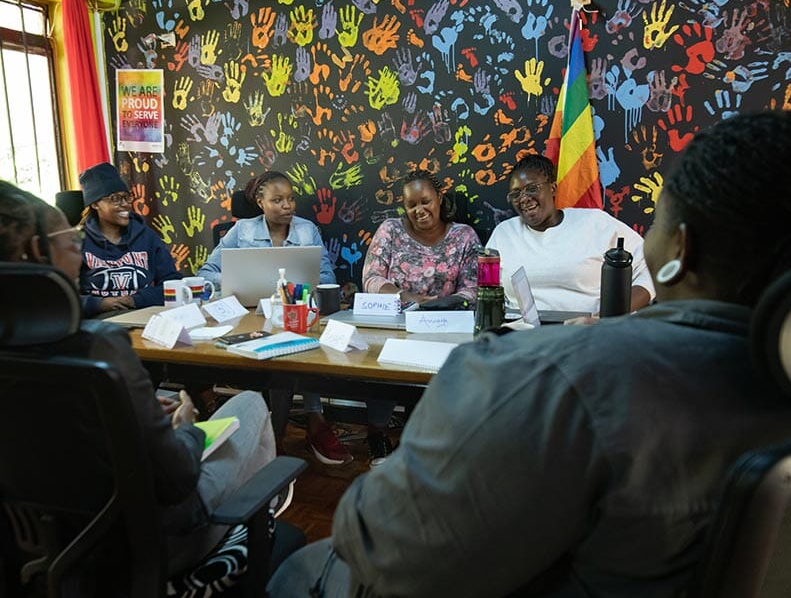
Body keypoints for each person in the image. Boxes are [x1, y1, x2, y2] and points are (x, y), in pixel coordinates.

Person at [268, 111, 791, 597]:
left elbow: (382, 548)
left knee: (297, 564)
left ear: (678, 248)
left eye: (656, 220)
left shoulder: (535, 378)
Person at [0, 181, 277, 577]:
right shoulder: (102, 350)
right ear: (35, 252)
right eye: (72, 240)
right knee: (250, 402)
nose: (80, 252)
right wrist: (187, 429)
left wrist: (134, 415)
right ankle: (254, 540)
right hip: (145, 549)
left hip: (44, 553)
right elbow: (177, 478)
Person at [197, 171, 351, 466]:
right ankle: (288, 431)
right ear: (260, 202)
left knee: (297, 349)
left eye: (291, 199)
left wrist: (296, 292)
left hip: (297, 316)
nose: (287, 206)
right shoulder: (241, 231)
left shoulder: (307, 231)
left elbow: (327, 277)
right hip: (251, 319)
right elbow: (206, 272)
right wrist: (237, 278)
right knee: (283, 360)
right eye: (277, 200)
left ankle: (295, 428)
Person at [361, 169, 481, 466]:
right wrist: (406, 297)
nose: (419, 210)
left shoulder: (464, 236)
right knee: (379, 363)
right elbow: (372, 279)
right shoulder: (390, 230)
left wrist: (438, 305)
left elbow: (473, 289)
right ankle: (377, 433)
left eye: (425, 201)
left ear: (440, 198)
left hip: (444, 325)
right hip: (395, 323)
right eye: (411, 205)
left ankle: (422, 443)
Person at [486, 154, 655, 314]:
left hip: (589, 332)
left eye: (531, 189)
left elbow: (649, 267)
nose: (524, 199)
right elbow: (487, 292)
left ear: (552, 188)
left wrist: (610, 317)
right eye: (516, 194)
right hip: (523, 334)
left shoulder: (594, 223)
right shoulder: (504, 234)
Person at [78, 162, 183, 317]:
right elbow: (61, 298)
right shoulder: (77, 241)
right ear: (95, 204)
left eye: (127, 197)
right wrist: (100, 304)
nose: (125, 205)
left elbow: (173, 284)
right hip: (96, 322)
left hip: (141, 315)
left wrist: (135, 300)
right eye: (115, 199)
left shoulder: (147, 237)